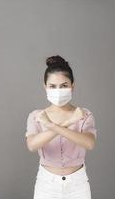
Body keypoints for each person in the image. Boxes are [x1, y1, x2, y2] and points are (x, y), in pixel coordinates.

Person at [25, 55, 97, 199]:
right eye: (52, 86)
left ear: (72, 86)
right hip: (46, 185)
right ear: (45, 86)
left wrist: (52, 125)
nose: (58, 90)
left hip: (78, 185)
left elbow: (89, 143)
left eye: (64, 85)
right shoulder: (37, 116)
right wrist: (68, 122)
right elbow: (32, 145)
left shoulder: (83, 114)